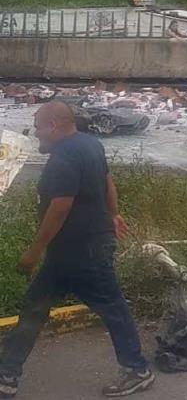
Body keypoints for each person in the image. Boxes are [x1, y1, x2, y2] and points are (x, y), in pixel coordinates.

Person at [0, 102, 154, 399]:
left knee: (113, 309)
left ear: (54, 125)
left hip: (85, 252)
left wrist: (33, 252)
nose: (35, 133)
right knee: (34, 307)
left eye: (38, 127)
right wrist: (114, 213)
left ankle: (137, 370)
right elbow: (107, 181)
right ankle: (7, 374)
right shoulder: (90, 144)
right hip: (68, 253)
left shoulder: (64, 157)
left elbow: (60, 206)